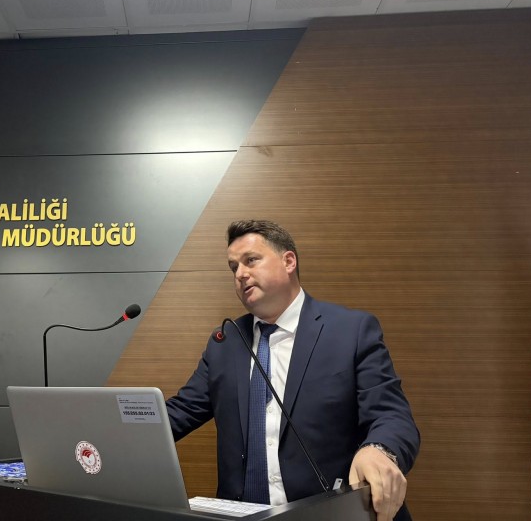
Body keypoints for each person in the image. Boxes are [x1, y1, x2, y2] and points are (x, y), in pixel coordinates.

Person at [166, 220, 420, 521]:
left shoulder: (351, 331)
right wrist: (122, 429)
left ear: (289, 261)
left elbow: (391, 414)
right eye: (234, 267)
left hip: (333, 514)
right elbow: (181, 412)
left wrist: (378, 450)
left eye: (251, 260)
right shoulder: (226, 342)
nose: (240, 274)